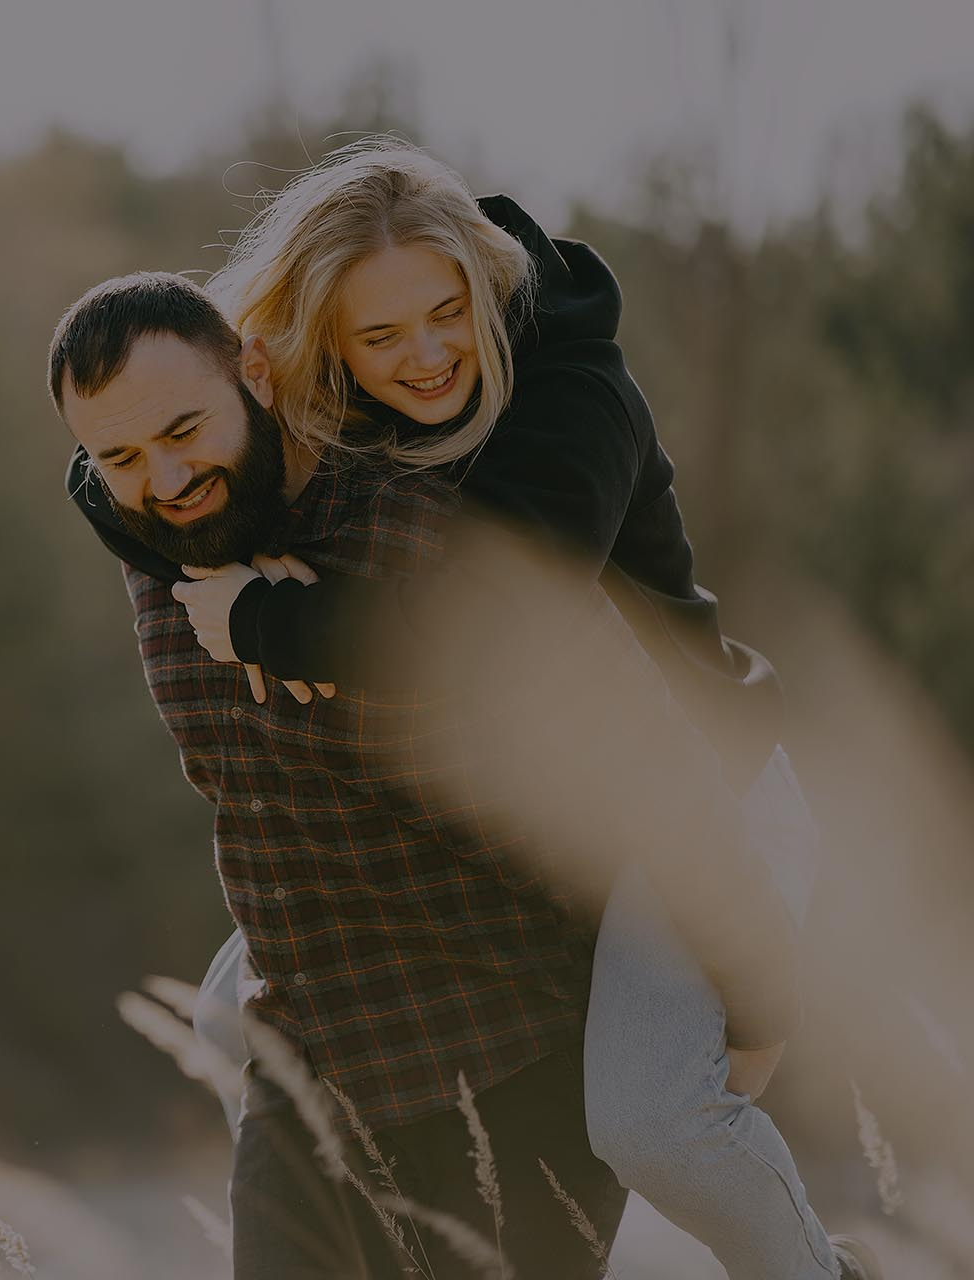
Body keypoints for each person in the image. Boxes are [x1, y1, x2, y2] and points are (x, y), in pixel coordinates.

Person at [61, 142, 879, 1279]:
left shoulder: (568, 402)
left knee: (656, 1121)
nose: (426, 354)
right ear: (318, 347)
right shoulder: (331, 416)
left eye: (447, 314)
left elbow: (490, 620)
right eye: (380, 335)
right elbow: (139, 469)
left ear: (484, 292)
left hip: (702, 784)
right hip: (549, 796)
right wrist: (187, 537)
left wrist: (265, 618)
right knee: (223, 1015)